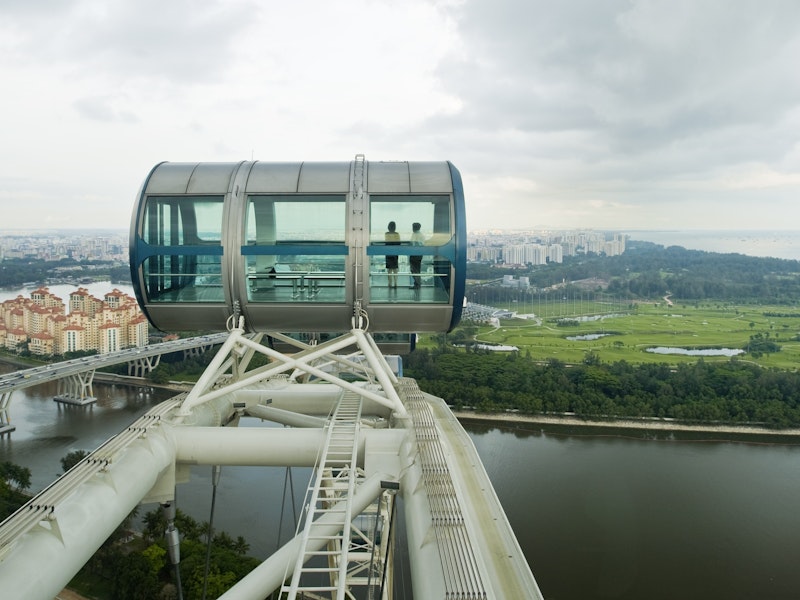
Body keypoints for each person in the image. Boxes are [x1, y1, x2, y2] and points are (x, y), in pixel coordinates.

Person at [385, 221, 400, 288]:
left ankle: (390, 283)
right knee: (395, 269)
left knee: (389, 270)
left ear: (388, 227)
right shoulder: (397, 234)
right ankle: (396, 283)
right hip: (395, 253)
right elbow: (399, 243)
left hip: (388, 253)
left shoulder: (386, 234)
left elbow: (386, 243)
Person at [409, 222, 424, 290]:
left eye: (413, 227)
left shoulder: (415, 234)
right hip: (419, 254)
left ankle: (417, 284)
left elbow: (413, 244)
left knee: (414, 270)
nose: (412, 229)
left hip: (415, 254)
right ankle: (417, 283)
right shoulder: (421, 234)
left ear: (415, 228)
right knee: (416, 269)